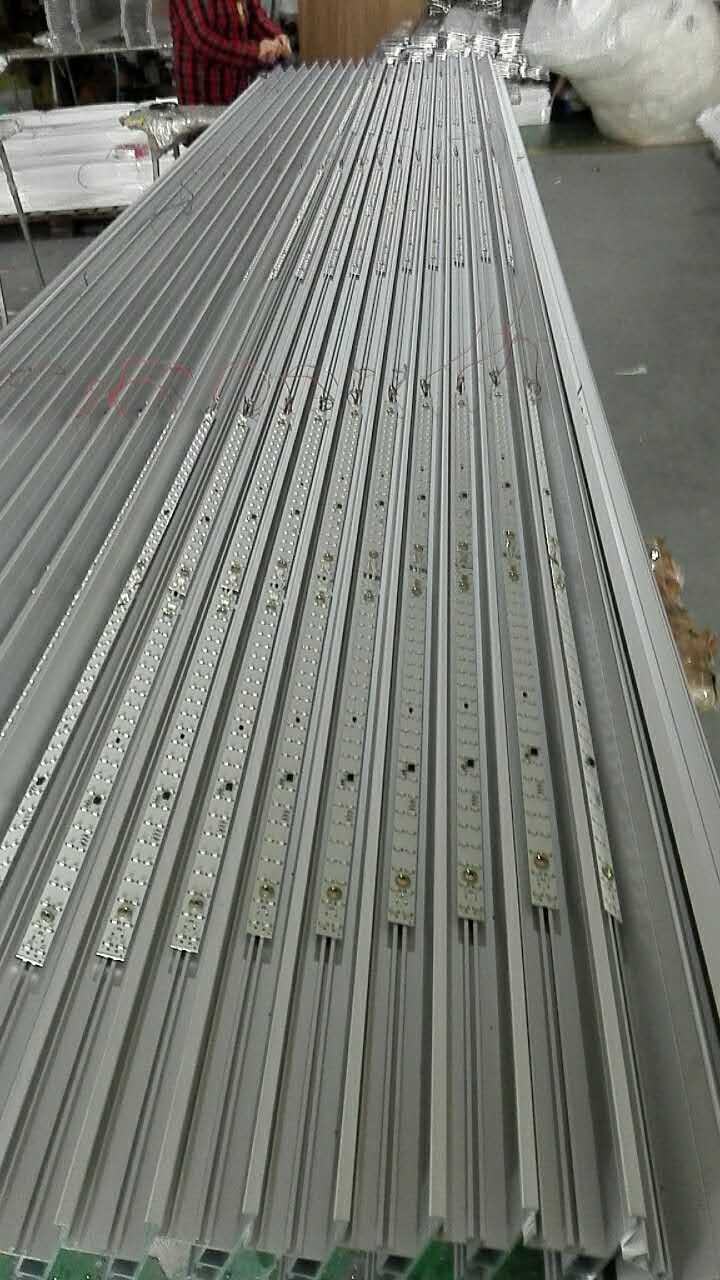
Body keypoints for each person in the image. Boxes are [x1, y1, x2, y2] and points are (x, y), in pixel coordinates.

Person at [169, 0, 291, 107]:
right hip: (201, 93)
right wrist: (257, 51)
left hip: (236, 89)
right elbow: (203, 40)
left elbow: (255, 15)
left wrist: (276, 37)